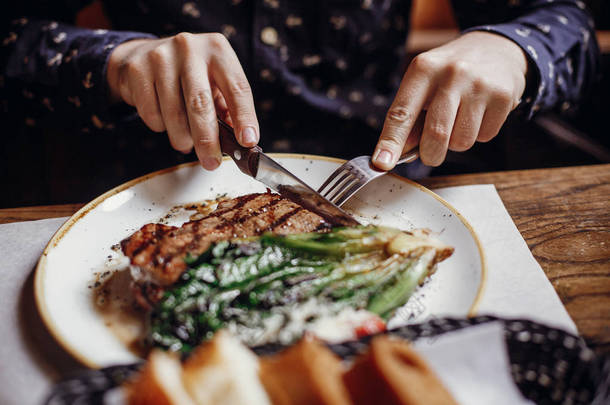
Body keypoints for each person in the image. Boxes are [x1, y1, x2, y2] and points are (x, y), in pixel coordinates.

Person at [0, 1, 599, 205]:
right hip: (149, 178)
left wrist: (515, 48)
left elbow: (570, 20)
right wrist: (112, 59)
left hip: (388, 182)